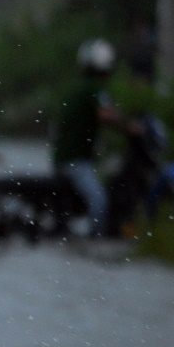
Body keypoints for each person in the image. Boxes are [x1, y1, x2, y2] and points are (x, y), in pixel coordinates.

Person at [54, 38, 124, 238]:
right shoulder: (93, 89)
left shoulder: (82, 87)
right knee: (99, 200)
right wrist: (130, 127)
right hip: (76, 160)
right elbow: (105, 115)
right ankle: (96, 239)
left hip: (70, 157)